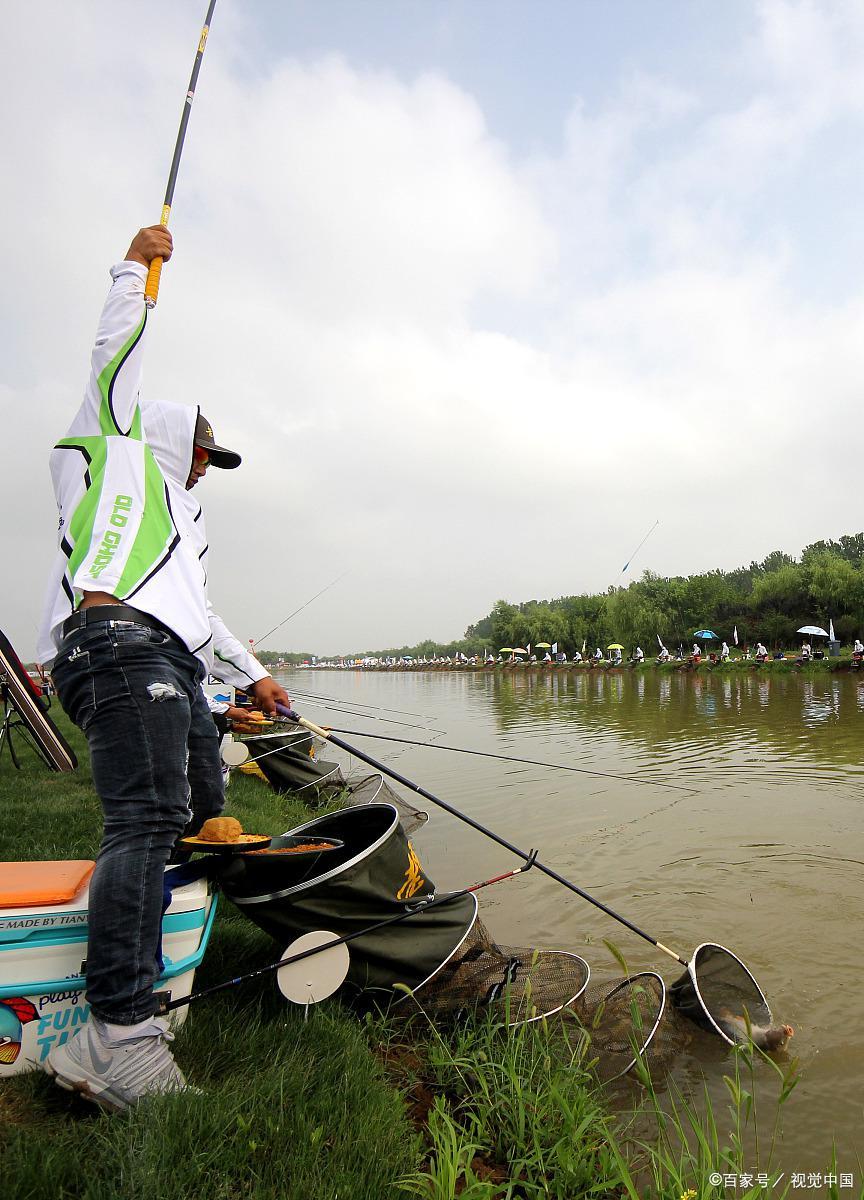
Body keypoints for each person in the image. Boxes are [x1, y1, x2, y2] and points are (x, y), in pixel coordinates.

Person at [37, 227, 292, 1111]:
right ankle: (117, 1028)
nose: (205, 467)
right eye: (200, 450)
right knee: (142, 820)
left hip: (171, 661)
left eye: (214, 461)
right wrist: (134, 273)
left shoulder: (185, 526)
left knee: (199, 804)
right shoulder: (108, 452)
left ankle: (169, 926)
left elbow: (206, 619)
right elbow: (114, 360)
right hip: (117, 645)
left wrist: (251, 676)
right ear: (167, 434)